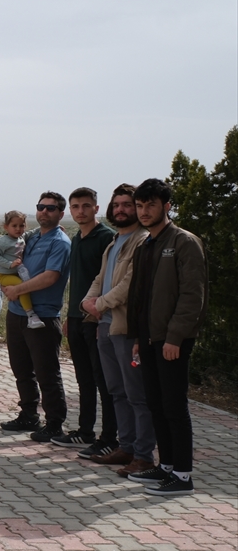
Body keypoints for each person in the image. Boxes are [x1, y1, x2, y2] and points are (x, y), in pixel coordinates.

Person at [124, 178, 207, 496]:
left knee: (174, 406)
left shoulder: (184, 242)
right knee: (156, 404)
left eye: (151, 205)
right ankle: (166, 467)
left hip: (172, 340)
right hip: (147, 338)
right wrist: (136, 336)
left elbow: (191, 296)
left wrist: (175, 337)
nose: (144, 212)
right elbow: (140, 295)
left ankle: (183, 477)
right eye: (140, 206)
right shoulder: (146, 243)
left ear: (167, 206)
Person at [81, 184, 151, 473]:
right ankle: (127, 447)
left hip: (125, 327)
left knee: (137, 394)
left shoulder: (142, 241)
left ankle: (144, 456)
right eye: (118, 204)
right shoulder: (115, 242)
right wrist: (88, 301)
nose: (121, 209)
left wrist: (101, 304)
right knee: (116, 391)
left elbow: (130, 284)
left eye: (128, 204)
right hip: (105, 326)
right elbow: (100, 278)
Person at [0, 192, 72, 442]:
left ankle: (54, 423)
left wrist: (17, 290)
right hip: (17, 313)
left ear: (61, 214)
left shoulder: (59, 242)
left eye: (51, 209)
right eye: (41, 207)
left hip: (42, 316)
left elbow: (50, 276)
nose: (45, 212)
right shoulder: (29, 239)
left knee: (46, 373)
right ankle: (28, 414)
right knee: (22, 370)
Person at [51, 188, 116, 450]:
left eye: (86, 206)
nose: (81, 211)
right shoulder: (77, 238)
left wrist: (100, 318)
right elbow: (76, 283)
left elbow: (108, 282)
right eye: (76, 206)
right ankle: (85, 431)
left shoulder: (106, 238)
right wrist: (70, 315)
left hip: (97, 319)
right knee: (84, 379)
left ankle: (110, 438)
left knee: (105, 381)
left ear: (96, 209)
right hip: (77, 319)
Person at [0, 211, 43, 329]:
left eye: (21, 225)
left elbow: (31, 233)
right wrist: (10, 264)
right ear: (6, 227)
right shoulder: (3, 241)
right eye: (14, 226)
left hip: (16, 272)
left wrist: (45, 228)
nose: (18, 229)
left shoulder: (21, 238)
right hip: (3, 274)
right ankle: (31, 315)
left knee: (26, 284)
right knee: (22, 287)